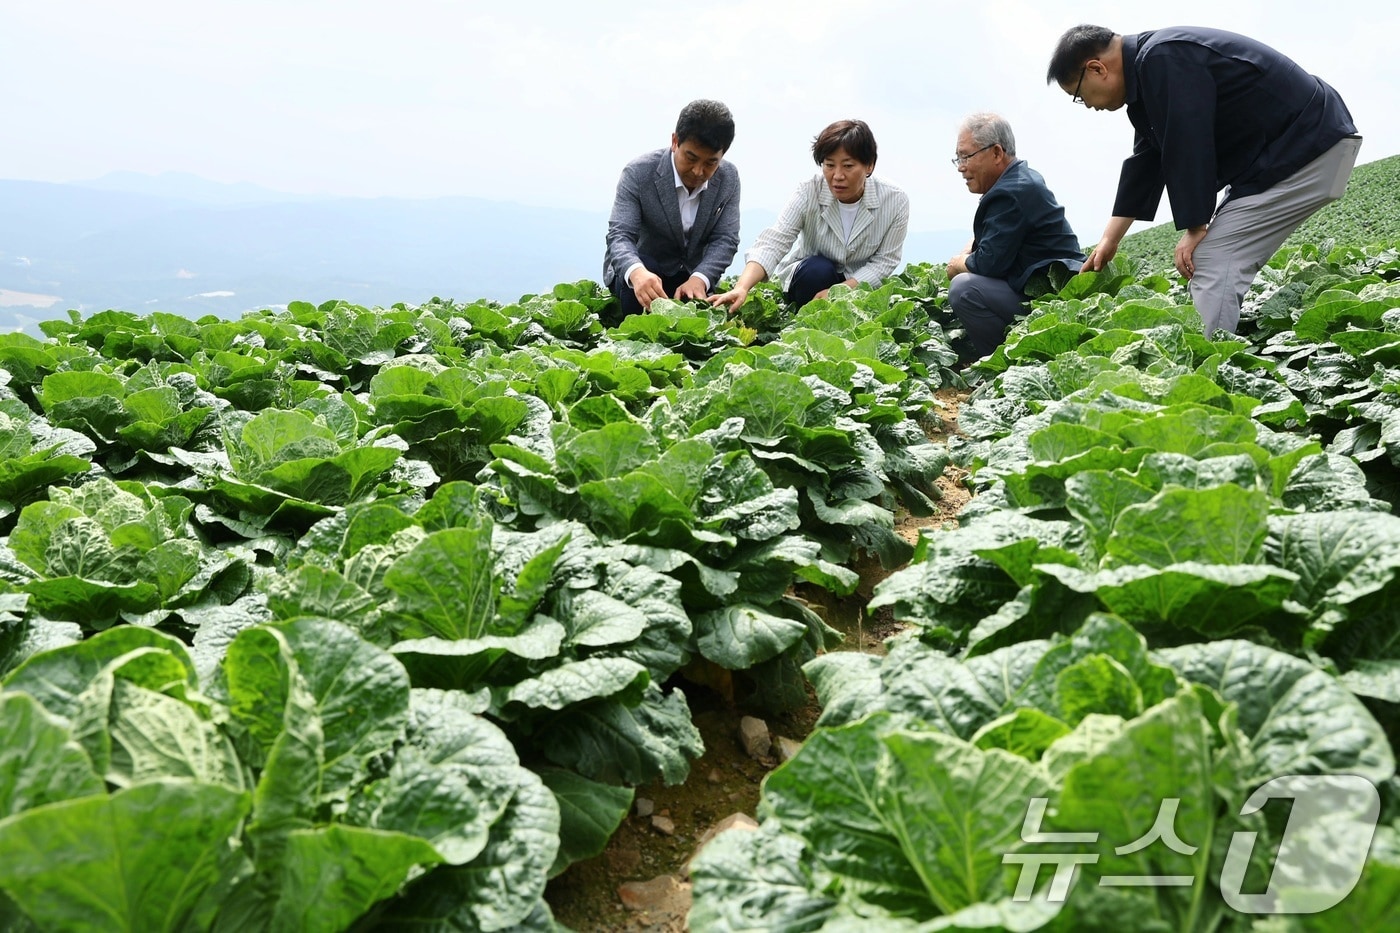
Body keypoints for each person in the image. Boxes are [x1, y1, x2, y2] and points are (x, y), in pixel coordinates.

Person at [1047, 25, 1361, 336]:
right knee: (1219, 256)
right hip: (1301, 144)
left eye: (1077, 94)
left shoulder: (1162, 58)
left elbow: (1189, 141)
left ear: (1096, 68)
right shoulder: (1151, 69)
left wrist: (1196, 226)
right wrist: (1110, 240)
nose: (1087, 105)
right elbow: (1148, 160)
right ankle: (1218, 347)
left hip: (1307, 143)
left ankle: (1206, 371)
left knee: (1212, 258)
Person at [709, 119, 908, 312]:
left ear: (869, 165)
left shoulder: (895, 200)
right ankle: (802, 318)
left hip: (859, 282)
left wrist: (842, 290)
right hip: (810, 279)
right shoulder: (809, 190)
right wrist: (742, 287)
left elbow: (885, 260)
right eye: (829, 165)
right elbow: (776, 240)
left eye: (848, 166)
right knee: (818, 270)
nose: (837, 175)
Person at [945, 113, 1084, 362]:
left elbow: (989, 263)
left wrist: (958, 263)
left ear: (997, 153)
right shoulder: (1019, 180)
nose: (961, 166)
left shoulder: (1011, 192)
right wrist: (972, 252)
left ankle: (1002, 364)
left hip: (1049, 296)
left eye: (966, 156)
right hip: (1045, 287)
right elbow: (996, 242)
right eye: (958, 157)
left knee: (963, 289)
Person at [603, 100, 741, 322]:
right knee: (645, 269)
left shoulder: (728, 178)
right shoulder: (638, 173)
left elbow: (725, 239)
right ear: (675, 141)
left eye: (710, 163)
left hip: (690, 280)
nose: (698, 171)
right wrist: (636, 272)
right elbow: (620, 235)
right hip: (643, 275)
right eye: (691, 158)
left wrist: (701, 277)